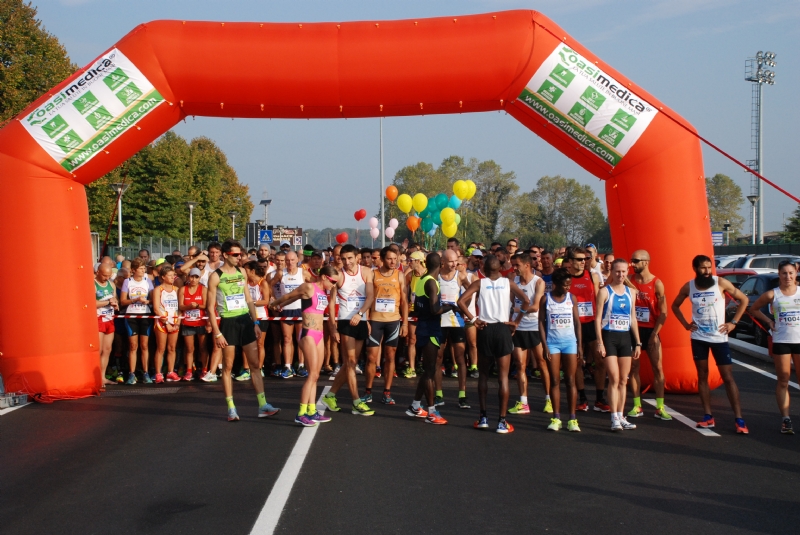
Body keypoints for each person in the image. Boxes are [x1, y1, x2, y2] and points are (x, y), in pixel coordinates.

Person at [671, 254, 749, 434]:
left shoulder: (720, 283)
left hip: (719, 338)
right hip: (698, 338)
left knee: (728, 377)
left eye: (709, 267)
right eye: (703, 268)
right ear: (695, 269)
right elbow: (675, 305)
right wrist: (685, 324)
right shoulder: (689, 286)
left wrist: (733, 323)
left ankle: (739, 419)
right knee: (702, 375)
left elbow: (744, 300)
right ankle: (708, 417)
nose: (706, 271)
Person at [207, 240, 280, 421]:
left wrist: (255, 322)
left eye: (240, 254)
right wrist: (217, 332)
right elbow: (210, 307)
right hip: (228, 322)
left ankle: (263, 405)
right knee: (228, 366)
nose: (239, 257)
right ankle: (231, 408)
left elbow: (248, 299)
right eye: (235, 255)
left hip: (245, 321)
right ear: (225, 255)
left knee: (255, 365)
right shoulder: (215, 276)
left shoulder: (242, 272)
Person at [458, 255, 528, 434]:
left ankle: (483, 418)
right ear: (499, 268)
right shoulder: (508, 283)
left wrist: (474, 319)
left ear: (485, 269)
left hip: (485, 329)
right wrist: (516, 321)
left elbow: (460, 302)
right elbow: (527, 301)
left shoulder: (480, 283)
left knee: (483, 375)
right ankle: (502, 421)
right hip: (503, 329)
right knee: (503, 377)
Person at [270, 266, 339, 426]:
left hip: (319, 334)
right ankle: (301, 413)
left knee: (315, 376)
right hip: (308, 333)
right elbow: (291, 295)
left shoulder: (324, 292)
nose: (333, 285)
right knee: (312, 375)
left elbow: (296, 299)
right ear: (323, 277)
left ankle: (312, 410)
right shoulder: (309, 286)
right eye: (332, 281)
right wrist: (277, 303)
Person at [321, 244, 376, 416]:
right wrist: (332, 326)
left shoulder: (366, 272)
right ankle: (356, 402)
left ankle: (330, 395)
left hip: (360, 319)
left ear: (357, 257)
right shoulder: (338, 275)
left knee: (350, 364)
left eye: (350, 258)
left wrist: (361, 315)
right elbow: (331, 303)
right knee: (351, 362)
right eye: (343, 259)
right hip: (345, 320)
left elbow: (370, 297)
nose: (347, 262)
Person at [748, 260, 800, 434]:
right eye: (784, 273)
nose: (788, 276)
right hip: (782, 341)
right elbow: (753, 309)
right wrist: (769, 321)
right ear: (779, 274)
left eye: (791, 273)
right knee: (783, 380)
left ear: (796, 273)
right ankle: (786, 419)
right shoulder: (773, 294)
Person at [404, 253, 456, 424]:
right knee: (430, 371)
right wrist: (451, 306)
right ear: (441, 264)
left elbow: (418, 308)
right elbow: (434, 309)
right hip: (430, 330)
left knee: (428, 370)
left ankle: (415, 405)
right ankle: (432, 412)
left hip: (424, 328)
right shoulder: (432, 283)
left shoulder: (421, 280)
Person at [595, 258, 641, 431]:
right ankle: (614, 417)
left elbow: (633, 318)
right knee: (614, 378)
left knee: (623, 380)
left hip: (625, 338)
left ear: (627, 272)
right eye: (617, 271)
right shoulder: (605, 292)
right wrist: (599, 342)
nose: (620, 275)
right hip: (609, 337)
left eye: (623, 272)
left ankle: (621, 416)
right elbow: (598, 318)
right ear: (611, 272)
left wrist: (637, 342)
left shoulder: (632, 292)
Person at [626, 250, 671, 420]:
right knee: (634, 368)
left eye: (636, 261)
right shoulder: (629, 280)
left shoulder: (657, 283)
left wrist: (654, 334)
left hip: (650, 330)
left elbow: (664, 312)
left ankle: (660, 407)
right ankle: (637, 406)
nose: (633, 264)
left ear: (646, 262)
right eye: (632, 260)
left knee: (658, 368)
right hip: (633, 330)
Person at [539, 268, 582, 432]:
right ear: (555, 284)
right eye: (565, 285)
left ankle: (572, 419)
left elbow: (577, 323)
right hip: (553, 343)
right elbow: (541, 323)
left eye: (570, 284)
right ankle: (556, 418)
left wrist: (579, 345)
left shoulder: (572, 298)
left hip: (570, 343)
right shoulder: (546, 299)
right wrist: (544, 345)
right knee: (555, 381)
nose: (568, 288)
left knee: (571, 380)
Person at [364, 246, 408, 405]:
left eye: (395, 259)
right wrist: (367, 320)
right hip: (376, 320)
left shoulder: (400, 275)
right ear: (382, 259)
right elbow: (368, 298)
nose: (393, 262)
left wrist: (405, 323)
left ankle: (387, 392)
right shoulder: (373, 274)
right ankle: (368, 392)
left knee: (390, 357)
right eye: (389, 259)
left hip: (393, 321)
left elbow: (404, 301)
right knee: (371, 357)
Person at [507, 253, 547, 415]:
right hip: (518, 328)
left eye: (517, 265)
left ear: (527, 265)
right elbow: (509, 303)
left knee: (542, 363)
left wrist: (515, 310)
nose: (514, 268)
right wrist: (510, 320)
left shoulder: (538, 282)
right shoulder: (513, 281)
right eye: (513, 265)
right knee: (520, 365)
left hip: (534, 327)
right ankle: (523, 402)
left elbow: (535, 306)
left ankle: (549, 399)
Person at [566, 247, 604, 412]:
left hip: (591, 324)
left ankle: (600, 397)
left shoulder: (592, 276)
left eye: (585, 259)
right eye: (580, 259)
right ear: (571, 261)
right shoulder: (566, 279)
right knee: (577, 363)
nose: (583, 262)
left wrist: (601, 323)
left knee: (600, 360)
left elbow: (598, 300)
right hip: (573, 325)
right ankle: (582, 397)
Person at [434, 249, 472, 409]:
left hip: (456, 322)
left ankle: (462, 395)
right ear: (442, 261)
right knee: (438, 358)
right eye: (451, 261)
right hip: (440, 322)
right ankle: (438, 394)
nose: (454, 264)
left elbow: (471, 291)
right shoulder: (435, 275)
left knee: (460, 358)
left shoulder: (461, 275)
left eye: (456, 261)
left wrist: (464, 307)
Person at [120, 258, 154, 384]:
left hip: (145, 314)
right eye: (140, 269)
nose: (143, 270)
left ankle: (145, 373)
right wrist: (135, 300)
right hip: (131, 315)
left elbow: (153, 298)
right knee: (133, 346)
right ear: (133, 270)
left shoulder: (148, 281)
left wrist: (148, 301)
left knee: (144, 345)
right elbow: (123, 301)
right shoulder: (127, 281)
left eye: (144, 268)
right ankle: (131, 373)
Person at [276, 251, 307, 378]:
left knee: (300, 339)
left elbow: (315, 285)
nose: (290, 263)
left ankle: (301, 365)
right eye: (287, 260)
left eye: (292, 260)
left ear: (297, 260)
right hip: (286, 309)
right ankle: (287, 366)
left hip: (300, 309)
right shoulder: (280, 273)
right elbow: (269, 285)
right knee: (287, 338)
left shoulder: (302, 273)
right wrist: (274, 299)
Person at [240, 261, 270, 380]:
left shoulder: (263, 283)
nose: (244, 272)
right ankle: (246, 369)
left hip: (261, 315)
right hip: (246, 315)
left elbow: (266, 301)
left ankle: (260, 368)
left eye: (246, 270)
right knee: (246, 343)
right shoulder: (245, 283)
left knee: (260, 343)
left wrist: (251, 303)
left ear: (252, 271)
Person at [151, 266, 181, 383]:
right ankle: (158, 373)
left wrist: (177, 323)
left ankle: (170, 372)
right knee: (161, 348)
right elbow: (156, 308)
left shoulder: (177, 289)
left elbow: (180, 308)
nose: (172, 277)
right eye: (169, 275)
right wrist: (167, 322)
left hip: (174, 322)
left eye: (173, 275)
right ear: (163, 277)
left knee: (172, 348)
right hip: (162, 322)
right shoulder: (158, 289)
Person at [179, 268, 208, 381]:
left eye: (196, 277)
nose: (194, 279)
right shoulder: (183, 289)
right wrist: (188, 306)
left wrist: (196, 306)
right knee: (189, 348)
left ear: (199, 278)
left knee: (203, 348)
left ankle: (204, 370)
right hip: (187, 321)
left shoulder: (203, 289)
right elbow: (180, 306)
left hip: (201, 321)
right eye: (192, 277)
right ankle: (189, 371)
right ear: (188, 277)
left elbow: (206, 305)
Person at [402, 251, 427, 378]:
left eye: (411, 260)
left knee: (426, 340)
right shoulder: (410, 275)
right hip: (413, 310)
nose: (409, 262)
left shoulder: (428, 273)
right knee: (412, 339)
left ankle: (423, 364)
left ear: (418, 261)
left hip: (426, 310)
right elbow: (404, 291)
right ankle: (412, 368)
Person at [95, 264, 118, 387]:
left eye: (109, 276)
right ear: (98, 272)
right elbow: (91, 302)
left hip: (110, 318)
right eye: (104, 275)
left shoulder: (111, 284)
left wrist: (115, 303)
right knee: (98, 350)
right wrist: (107, 302)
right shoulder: (92, 283)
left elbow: (114, 298)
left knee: (107, 349)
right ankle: (96, 377)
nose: (107, 278)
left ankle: (103, 377)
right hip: (98, 318)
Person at [457, 255, 480, 378]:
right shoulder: (454, 276)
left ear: (464, 265)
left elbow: (477, 295)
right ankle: (457, 365)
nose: (455, 266)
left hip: (470, 315)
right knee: (457, 344)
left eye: (458, 264)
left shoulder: (473, 277)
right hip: (456, 316)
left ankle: (474, 366)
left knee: (472, 343)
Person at [267, 252, 287, 377]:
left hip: (288, 307)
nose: (280, 262)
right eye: (277, 260)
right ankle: (278, 363)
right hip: (275, 309)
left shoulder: (289, 273)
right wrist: (274, 304)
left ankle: (288, 364)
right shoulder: (270, 275)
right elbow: (268, 291)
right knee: (276, 339)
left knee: (288, 339)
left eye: (282, 260)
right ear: (274, 261)